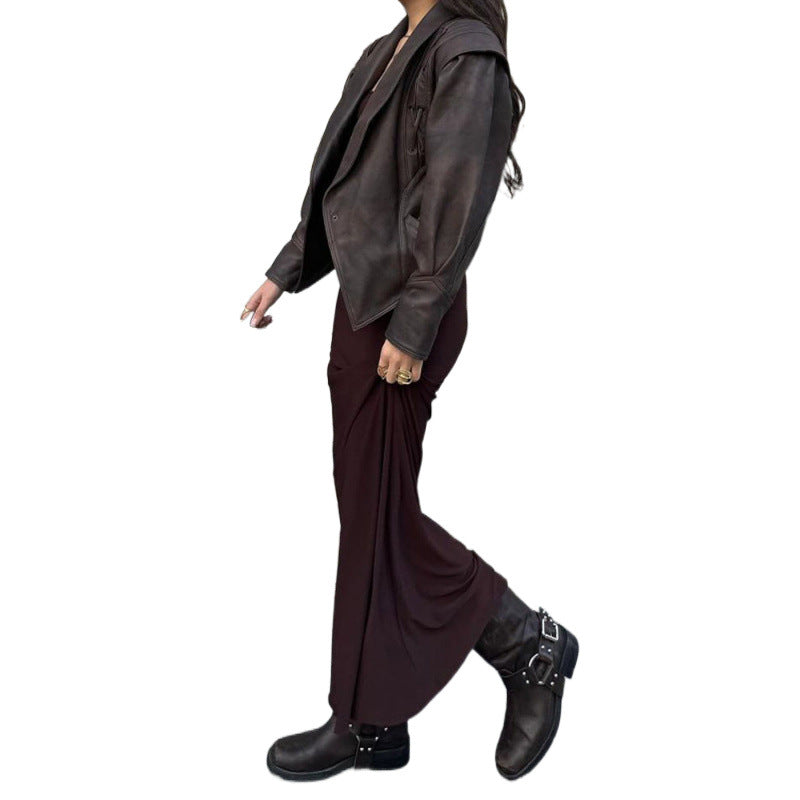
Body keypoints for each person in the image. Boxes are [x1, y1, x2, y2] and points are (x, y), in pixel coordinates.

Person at [242, 0, 579, 781]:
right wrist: (286, 270)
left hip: (402, 314)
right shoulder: (388, 48)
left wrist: (416, 321)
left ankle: (527, 645)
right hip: (366, 307)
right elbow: (349, 184)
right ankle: (374, 722)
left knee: (378, 514)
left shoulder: (466, 56)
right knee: (370, 513)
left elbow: (457, 203)